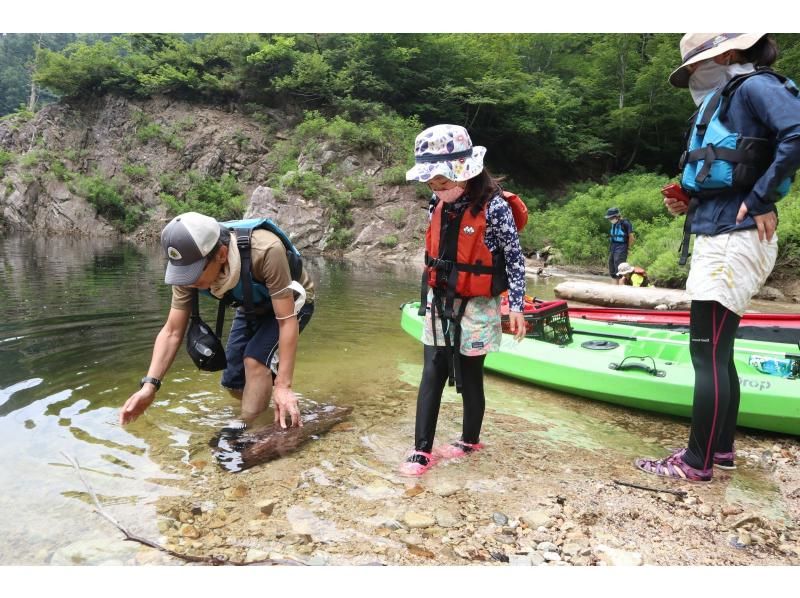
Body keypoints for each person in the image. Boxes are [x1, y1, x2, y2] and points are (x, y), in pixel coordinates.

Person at [636, 33, 800, 482]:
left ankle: (696, 462)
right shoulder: (736, 95)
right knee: (719, 353)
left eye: (696, 65)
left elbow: (797, 131)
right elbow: (736, 164)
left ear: (726, 55)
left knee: (706, 353)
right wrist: (692, 200)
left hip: (734, 238)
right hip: (723, 230)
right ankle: (719, 451)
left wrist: (764, 197)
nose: (693, 75)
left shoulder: (754, 85)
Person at [400, 124, 527, 476]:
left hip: (480, 304)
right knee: (433, 369)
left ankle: (469, 440)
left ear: (464, 172)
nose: (437, 191)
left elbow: (515, 258)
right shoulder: (435, 202)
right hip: (441, 297)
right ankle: (421, 450)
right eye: (432, 185)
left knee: (471, 374)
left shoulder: (496, 208)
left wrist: (516, 305)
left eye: (442, 183)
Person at [119, 212, 316, 431]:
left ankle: (245, 431)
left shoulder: (266, 250)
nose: (189, 281)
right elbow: (172, 331)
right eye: (183, 273)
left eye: (194, 273)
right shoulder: (187, 266)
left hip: (294, 301)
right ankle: (264, 414)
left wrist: (283, 385)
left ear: (221, 254)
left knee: (255, 361)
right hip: (251, 304)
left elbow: (286, 322)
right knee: (233, 381)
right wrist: (150, 386)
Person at [605, 207, 635, 285]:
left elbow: (631, 237)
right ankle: (614, 289)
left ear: (617, 216)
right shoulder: (614, 224)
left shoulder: (625, 223)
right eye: (609, 218)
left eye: (611, 218)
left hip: (622, 246)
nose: (610, 219)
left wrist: (628, 248)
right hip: (613, 246)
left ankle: (621, 289)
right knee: (612, 266)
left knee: (620, 268)